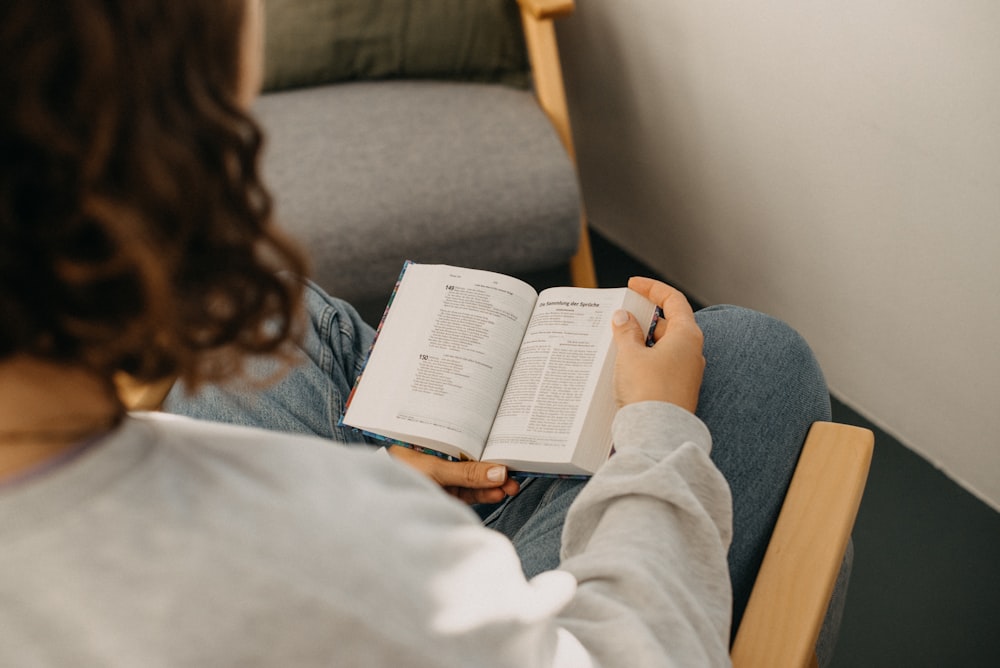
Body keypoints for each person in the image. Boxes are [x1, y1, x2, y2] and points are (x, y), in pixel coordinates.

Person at [0, 0, 832, 665]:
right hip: (398, 589)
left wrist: (380, 484)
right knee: (758, 357)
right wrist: (657, 436)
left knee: (269, 327)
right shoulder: (315, 542)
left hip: (356, 554)